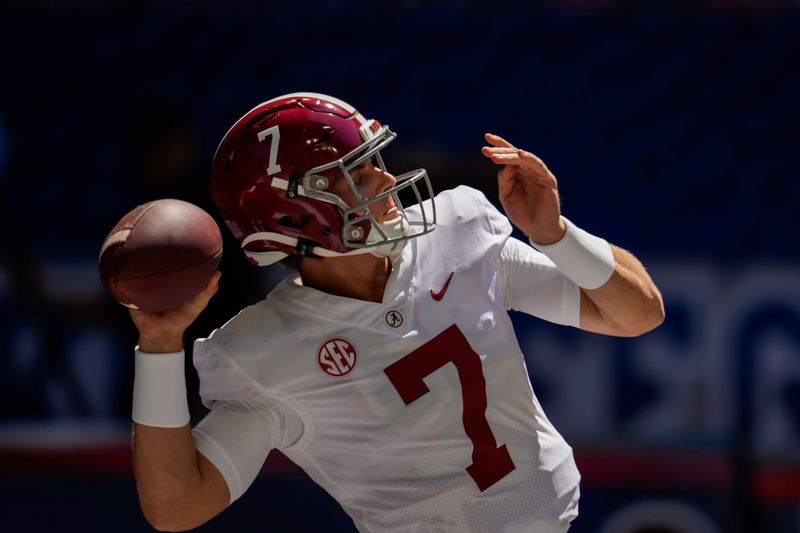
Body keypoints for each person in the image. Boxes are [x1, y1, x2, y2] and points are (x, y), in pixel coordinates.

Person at [129, 92, 664, 533]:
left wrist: (556, 235)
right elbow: (178, 507)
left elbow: (636, 314)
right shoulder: (263, 352)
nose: (387, 182)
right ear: (297, 215)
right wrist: (157, 348)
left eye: (374, 162)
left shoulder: (459, 230)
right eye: (357, 176)